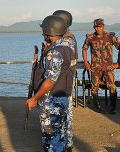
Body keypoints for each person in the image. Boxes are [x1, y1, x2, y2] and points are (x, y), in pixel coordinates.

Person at [26, 15, 76, 152]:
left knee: (51, 138)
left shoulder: (54, 52)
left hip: (51, 101)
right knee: (59, 135)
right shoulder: (68, 49)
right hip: (62, 98)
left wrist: (34, 99)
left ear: (49, 31)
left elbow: (50, 80)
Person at [82, 18, 120, 114]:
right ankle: (97, 107)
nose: (98, 29)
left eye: (100, 26)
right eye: (96, 27)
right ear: (94, 27)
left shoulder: (110, 37)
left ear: (103, 26)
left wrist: (117, 62)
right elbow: (84, 49)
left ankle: (112, 107)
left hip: (108, 67)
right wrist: (85, 62)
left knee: (112, 86)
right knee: (94, 86)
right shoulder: (90, 37)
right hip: (95, 67)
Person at [52, 10, 77, 151]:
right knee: (65, 112)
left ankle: (66, 143)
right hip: (65, 80)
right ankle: (66, 141)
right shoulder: (68, 38)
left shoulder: (67, 40)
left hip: (63, 81)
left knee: (65, 112)